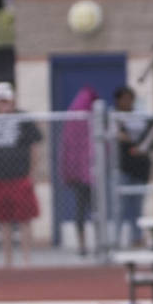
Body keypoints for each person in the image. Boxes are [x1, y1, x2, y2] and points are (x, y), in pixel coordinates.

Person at [0, 81, 42, 267]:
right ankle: (8, 260)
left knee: (24, 219)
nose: (3, 104)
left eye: (6, 100)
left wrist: (32, 173)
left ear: (12, 100)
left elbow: (34, 147)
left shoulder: (24, 119)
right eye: (0, 101)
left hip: (20, 176)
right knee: (3, 220)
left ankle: (26, 259)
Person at [58, 86, 97, 255]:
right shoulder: (87, 119)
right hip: (92, 172)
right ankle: (96, 243)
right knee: (94, 209)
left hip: (78, 173)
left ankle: (85, 245)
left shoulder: (72, 119)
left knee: (81, 209)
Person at [112, 85, 152, 247]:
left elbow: (149, 137)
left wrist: (141, 146)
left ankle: (136, 238)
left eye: (130, 99)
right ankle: (116, 240)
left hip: (139, 168)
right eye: (124, 99)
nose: (127, 102)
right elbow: (118, 135)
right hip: (123, 167)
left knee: (137, 206)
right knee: (120, 206)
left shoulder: (140, 117)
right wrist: (134, 143)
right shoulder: (114, 117)